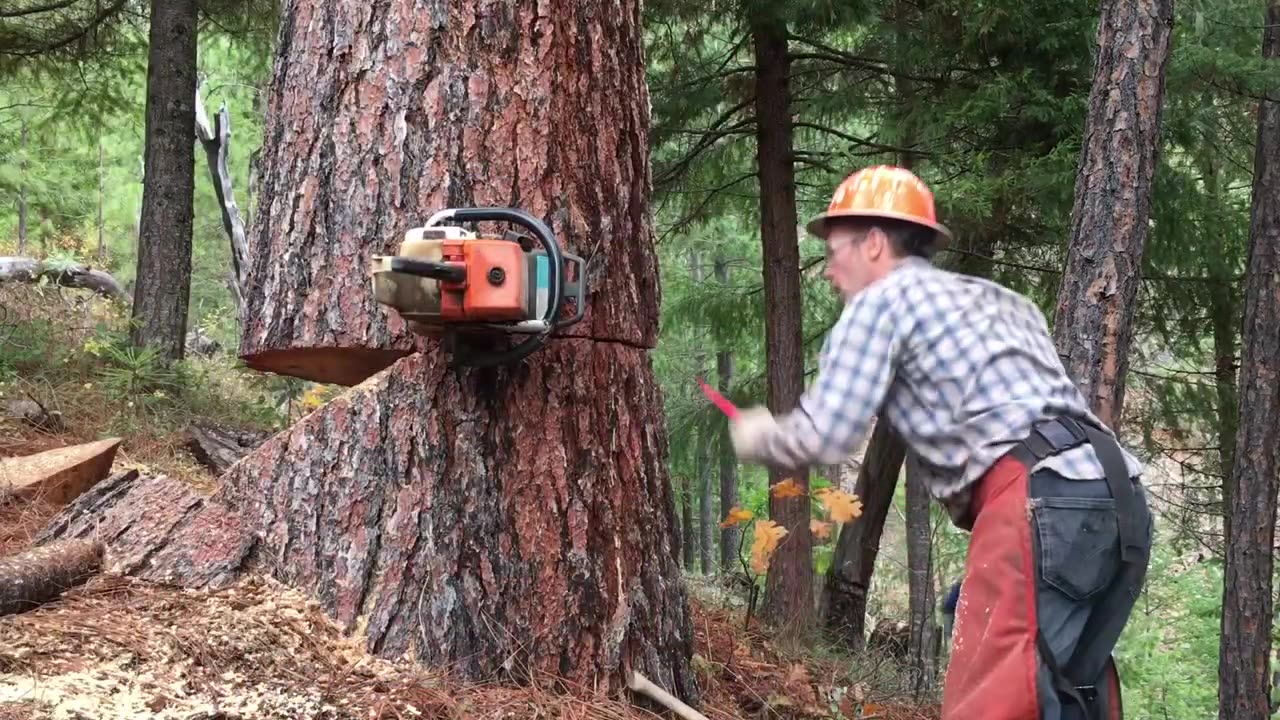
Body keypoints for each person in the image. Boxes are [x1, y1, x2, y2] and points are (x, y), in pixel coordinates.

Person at [727, 165, 1152, 720]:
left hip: (1038, 500)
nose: (830, 271)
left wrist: (763, 433)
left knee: (992, 703)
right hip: (1121, 498)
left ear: (876, 243)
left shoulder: (881, 303)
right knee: (1071, 696)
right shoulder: (1004, 303)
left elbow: (828, 433)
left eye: (836, 251)